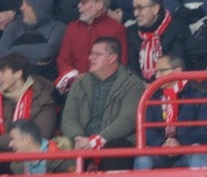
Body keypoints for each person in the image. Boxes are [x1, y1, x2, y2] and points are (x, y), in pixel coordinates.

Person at [59, 36, 146, 168]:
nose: (90, 58)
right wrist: (78, 137)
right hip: (82, 142)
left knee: (115, 150)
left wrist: (97, 140)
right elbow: (69, 118)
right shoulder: (79, 83)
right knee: (58, 150)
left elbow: (127, 120)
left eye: (97, 54)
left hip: (114, 141)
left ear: (112, 58)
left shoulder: (132, 84)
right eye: (91, 54)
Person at [134, 52, 207, 170]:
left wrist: (180, 143)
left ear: (177, 72)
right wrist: (162, 144)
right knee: (143, 158)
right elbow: (145, 130)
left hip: (188, 150)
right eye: (156, 72)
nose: (157, 76)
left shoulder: (201, 93)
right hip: (159, 151)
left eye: (162, 71)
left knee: (198, 156)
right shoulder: (151, 95)